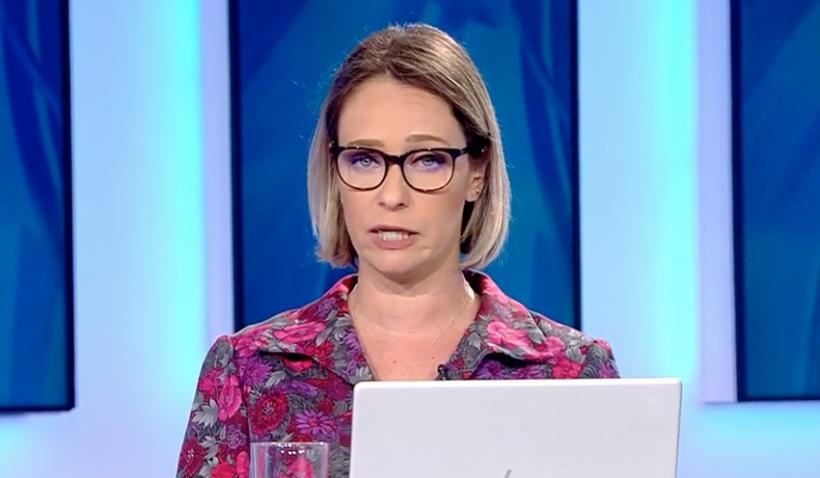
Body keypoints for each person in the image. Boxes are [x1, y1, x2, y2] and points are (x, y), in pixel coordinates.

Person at [177, 23, 619, 478]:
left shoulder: (571, 372)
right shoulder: (248, 370)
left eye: (427, 159)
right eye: (364, 159)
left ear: (477, 172)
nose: (391, 196)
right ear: (334, 169)